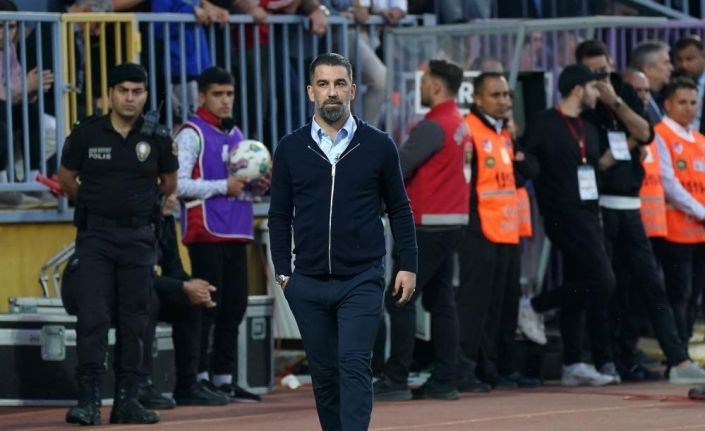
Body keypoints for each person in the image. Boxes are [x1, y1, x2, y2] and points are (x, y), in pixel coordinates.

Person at [268, 52, 417, 431]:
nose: (331, 92)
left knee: (353, 363)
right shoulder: (290, 148)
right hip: (307, 281)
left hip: (361, 278)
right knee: (324, 374)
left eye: (339, 84)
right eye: (323, 84)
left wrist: (408, 264)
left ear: (352, 89)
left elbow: (400, 208)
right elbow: (279, 215)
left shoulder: (379, 145)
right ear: (310, 92)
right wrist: (284, 275)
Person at [58, 62, 178, 425]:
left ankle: (127, 400)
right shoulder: (87, 133)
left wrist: (136, 205)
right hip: (95, 237)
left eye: (137, 92)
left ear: (145, 95)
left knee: (135, 320)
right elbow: (67, 179)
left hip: (139, 238)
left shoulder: (157, 137)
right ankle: (89, 400)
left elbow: (169, 183)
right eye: (123, 90)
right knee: (92, 318)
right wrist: (99, 205)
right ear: (110, 93)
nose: (130, 98)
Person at [60, 194, 229, 410]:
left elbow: (173, 268)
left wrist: (196, 288)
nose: (171, 199)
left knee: (188, 302)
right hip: (95, 292)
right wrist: (183, 287)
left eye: (172, 194)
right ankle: (140, 383)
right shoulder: (129, 224)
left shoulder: (164, 221)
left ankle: (188, 385)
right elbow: (135, 277)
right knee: (147, 298)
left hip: (133, 287)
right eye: (164, 195)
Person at [373, 59, 467, 402]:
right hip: (451, 221)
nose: (422, 87)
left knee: (400, 298)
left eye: (426, 81)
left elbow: (398, 165)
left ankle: (396, 378)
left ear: (436, 86)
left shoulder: (433, 126)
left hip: (426, 224)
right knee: (441, 301)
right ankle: (445, 378)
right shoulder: (458, 123)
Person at [519, 64, 616, 387]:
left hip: (589, 212)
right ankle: (534, 305)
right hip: (562, 213)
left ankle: (573, 363)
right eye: (593, 88)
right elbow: (528, 161)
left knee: (581, 280)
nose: (597, 94)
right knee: (603, 280)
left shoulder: (589, 127)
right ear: (577, 89)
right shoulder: (544, 123)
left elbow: (591, 168)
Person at [175, 66, 267, 403]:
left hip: (237, 228)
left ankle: (224, 378)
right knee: (207, 308)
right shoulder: (191, 134)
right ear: (202, 96)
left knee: (234, 306)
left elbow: (240, 186)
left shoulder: (237, 134)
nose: (225, 101)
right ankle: (198, 377)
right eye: (218, 94)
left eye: (229, 94)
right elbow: (178, 185)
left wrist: (257, 186)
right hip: (206, 231)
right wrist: (222, 186)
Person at [454, 72, 539, 392]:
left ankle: (497, 367)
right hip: (479, 229)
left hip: (506, 228)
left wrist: (515, 142)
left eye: (506, 95)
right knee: (476, 303)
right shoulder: (470, 130)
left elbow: (527, 172)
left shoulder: (504, 132)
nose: (504, 101)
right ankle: (466, 368)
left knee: (505, 303)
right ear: (477, 99)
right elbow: (465, 183)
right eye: (496, 95)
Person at [630, 41, 673, 124]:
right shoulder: (635, 99)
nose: (671, 68)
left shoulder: (664, 96)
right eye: (666, 63)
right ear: (649, 69)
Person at [673, 36, 705, 133]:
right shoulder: (671, 82)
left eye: (689, 59)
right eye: (679, 60)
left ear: (703, 57)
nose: (684, 65)